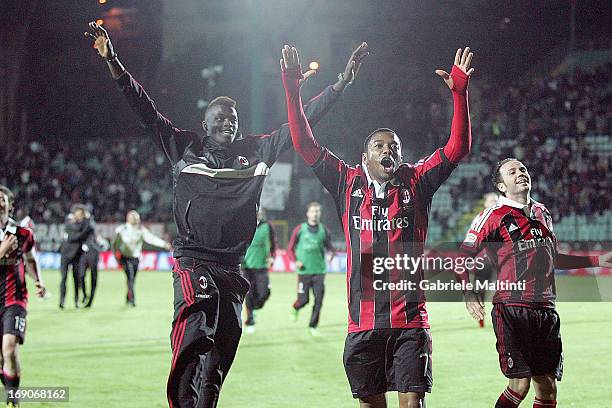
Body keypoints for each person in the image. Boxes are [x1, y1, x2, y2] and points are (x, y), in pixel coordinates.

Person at [85, 21, 369, 407]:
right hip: (194, 261)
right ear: (205, 124)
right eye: (219, 117)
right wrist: (113, 62)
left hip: (232, 270)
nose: (227, 122)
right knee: (194, 333)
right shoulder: (183, 149)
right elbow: (144, 108)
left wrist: (339, 85)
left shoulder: (257, 151)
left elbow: (301, 126)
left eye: (232, 118)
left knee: (220, 357)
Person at [281, 44, 473, 408]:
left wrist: (459, 94)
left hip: (410, 322)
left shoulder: (416, 181)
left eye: (394, 147)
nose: (389, 151)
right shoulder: (345, 181)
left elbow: (457, 148)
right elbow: (303, 142)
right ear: (365, 155)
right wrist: (292, 90)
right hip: (363, 323)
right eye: (380, 145)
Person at [460, 158, 611, 408]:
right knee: (520, 384)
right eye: (512, 172)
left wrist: (598, 259)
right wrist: (469, 292)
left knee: (547, 387)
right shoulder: (492, 216)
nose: (521, 173)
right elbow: (464, 256)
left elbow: (554, 258)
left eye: (523, 169)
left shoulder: (542, 213)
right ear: (501, 185)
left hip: (546, 310)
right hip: (513, 308)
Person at [0, 186, 46, 408]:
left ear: (10, 205)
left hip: (15, 298)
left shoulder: (24, 233)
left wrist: (38, 280)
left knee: (9, 348)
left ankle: (12, 399)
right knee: (1, 356)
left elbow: (29, 259)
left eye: (2, 199)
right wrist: (2, 250)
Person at [287, 202, 334, 336]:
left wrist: (331, 254)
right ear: (308, 213)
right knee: (304, 300)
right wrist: (295, 261)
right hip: (304, 272)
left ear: (320, 213)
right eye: (313, 211)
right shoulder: (299, 229)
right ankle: (295, 307)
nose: (315, 213)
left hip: (319, 271)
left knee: (319, 301)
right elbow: (290, 248)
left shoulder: (324, 230)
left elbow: (330, 247)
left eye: (317, 211)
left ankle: (313, 326)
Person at [113, 210, 171, 307]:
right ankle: (132, 299)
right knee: (130, 277)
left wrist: (164, 244)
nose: (136, 219)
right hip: (125, 257)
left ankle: (128, 296)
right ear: (128, 218)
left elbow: (151, 239)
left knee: (132, 279)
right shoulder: (121, 229)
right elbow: (115, 244)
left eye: (136, 217)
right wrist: (116, 255)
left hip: (135, 258)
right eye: (133, 217)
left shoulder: (140, 229)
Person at [241, 207, 275, 334]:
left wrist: (272, 256)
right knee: (248, 294)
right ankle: (250, 321)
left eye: (260, 212)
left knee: (264, 293)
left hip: (261, 265)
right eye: (257, 211)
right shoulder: (244, 225)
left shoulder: (267, 227)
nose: (258, 214)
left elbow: (272, 243)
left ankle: (254, 308)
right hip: (246, 266)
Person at [59, 205, 92, 309]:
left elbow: (88, 229)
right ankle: (62, 301)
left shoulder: (83, 224)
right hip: (65, 254)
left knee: (76, 279)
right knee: (64, 278)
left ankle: (76, 300)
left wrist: (87, 219)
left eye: (81, 214)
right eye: (77, 213)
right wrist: (83, 228)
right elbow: (76, 235)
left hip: (77, 254)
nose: (79, 216)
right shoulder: (69, 223)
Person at [79, 215, 109, 308]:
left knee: (93, 277)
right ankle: (84, 294)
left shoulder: (94, 232)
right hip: (84, 255)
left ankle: (90, 300)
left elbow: (104, 246)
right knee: (81, 275)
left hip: (93, 255)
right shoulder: (81, 231)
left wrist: (99, 247)